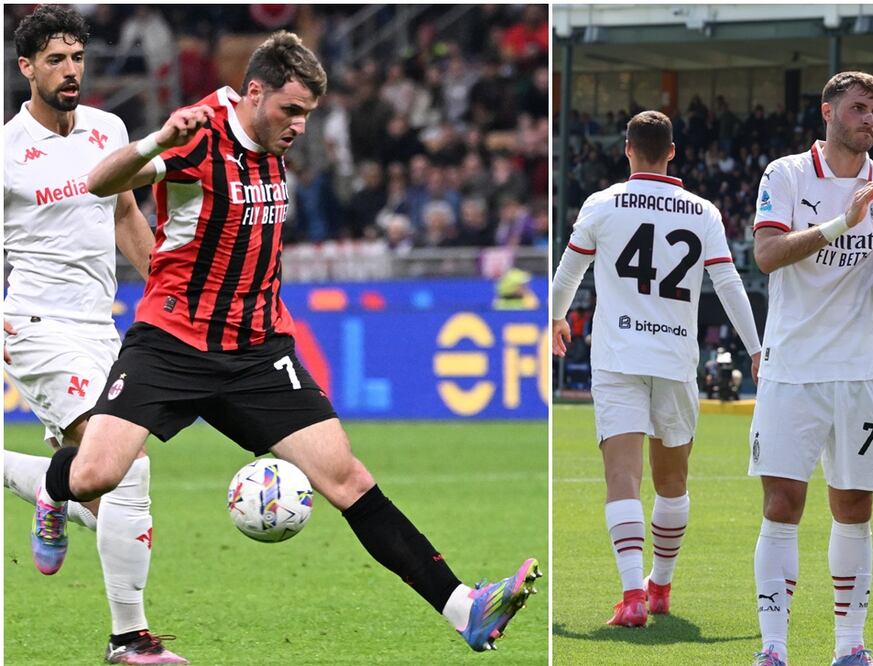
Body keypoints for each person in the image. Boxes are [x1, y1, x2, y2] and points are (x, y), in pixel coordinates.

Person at [35, 30, 538, 655]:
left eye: (308, 114)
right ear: (254, 92)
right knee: (94, 477)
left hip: (258, 351)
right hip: (172, 341)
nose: (299, 126)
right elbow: (99, 183)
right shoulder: (197, 134)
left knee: (348, 478)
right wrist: (159, 138)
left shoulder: (271, 138)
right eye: (291, 110)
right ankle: (50, 493)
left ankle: (466, 607)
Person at [3, 7, 185, 664]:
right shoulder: (6, 153)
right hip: (36, 327)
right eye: (56, 59)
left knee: (100, 481)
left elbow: (127, 214)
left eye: (77, 57)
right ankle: (129, 640)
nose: (71, 70)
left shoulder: (108, 130)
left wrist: (168, 294)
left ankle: (52, 488)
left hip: (100, 327)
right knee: (129, 466)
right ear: (26, 68)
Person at [551, 110, 761, 628]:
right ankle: (660, 587)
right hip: (674, 357)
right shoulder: (703, 211)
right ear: (672, 151)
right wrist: (756, 348)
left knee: (622, 477)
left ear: (627, 149)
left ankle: (632, 596)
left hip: (619, 357)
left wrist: (555, 317)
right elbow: (729, 285)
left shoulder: (602, 203)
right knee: (673, 482)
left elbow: (568, 270)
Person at [749, 71, 873, 666]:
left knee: (855, 508)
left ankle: (850, 648)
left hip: (861, 372)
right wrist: (843, 223)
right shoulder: (787, 174)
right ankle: (773, 648)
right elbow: (767, 255)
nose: (868, 119)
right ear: (828, 112)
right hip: (792, 368)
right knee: (782, 506)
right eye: (858, 108)